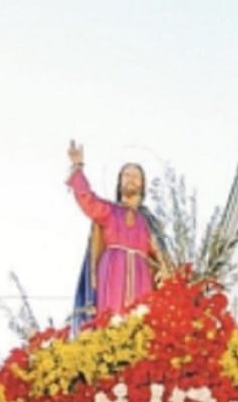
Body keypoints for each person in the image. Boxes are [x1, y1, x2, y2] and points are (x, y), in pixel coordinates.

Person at [66, 140, 166, 329]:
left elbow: (163, 258)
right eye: (126, 175)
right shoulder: (109, 211)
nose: (131, 179)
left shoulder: (149, 223)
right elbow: (86, 199)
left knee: (140, 323)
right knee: (111, 319)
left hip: (142, 275)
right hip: (112, 271)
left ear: (143, 184)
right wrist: (77, 167)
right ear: (119, 182)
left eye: (136, 176)